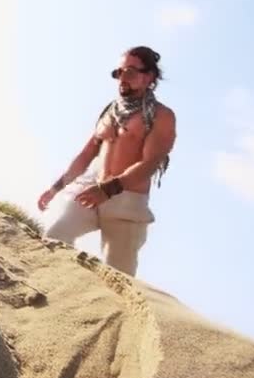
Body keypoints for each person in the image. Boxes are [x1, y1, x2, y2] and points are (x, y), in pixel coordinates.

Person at [37, 46, 176, 277]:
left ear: (149, 77)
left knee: (118, 280)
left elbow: (150, 162)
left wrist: (109, 188)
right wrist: (55, 189)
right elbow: (85, 156)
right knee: (54, 238)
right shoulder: (110, 112)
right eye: (118, 72)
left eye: (130, 72)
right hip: (91, 191)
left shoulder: (162, 116)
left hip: (127, 202)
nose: (122, 78)